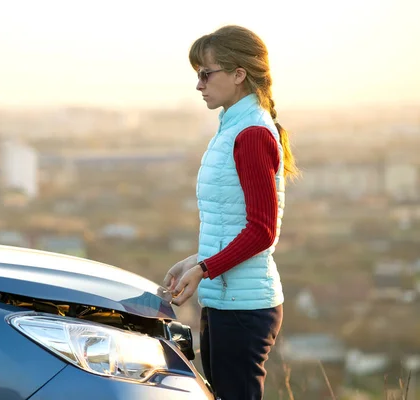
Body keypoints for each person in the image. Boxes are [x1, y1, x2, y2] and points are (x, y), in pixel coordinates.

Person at [163, 25, 299, 400]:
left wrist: (205, 269)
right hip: (227, 301)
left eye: (206, 74)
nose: (199, 85)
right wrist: (196, 259)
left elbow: (261, 231)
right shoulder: (233, 128)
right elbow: (234, 223)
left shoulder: (251, 133)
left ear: (239, 74)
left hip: (244, 308)